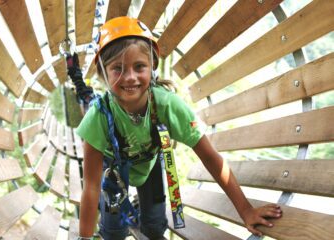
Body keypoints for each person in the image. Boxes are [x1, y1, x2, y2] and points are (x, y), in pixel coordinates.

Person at [69, 16, 282, 240]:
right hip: (113, 168)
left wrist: (246, 211)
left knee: (154, 226)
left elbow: (210, 157)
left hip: (148, 163)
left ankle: (143, 210)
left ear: (152, 67)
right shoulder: (99, 116)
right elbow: (91, 187)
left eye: (139, 66)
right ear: (103, 73)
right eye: (117, 69)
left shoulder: (167, 105)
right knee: (113, 232)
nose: (130, 77)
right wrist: (84, 237)